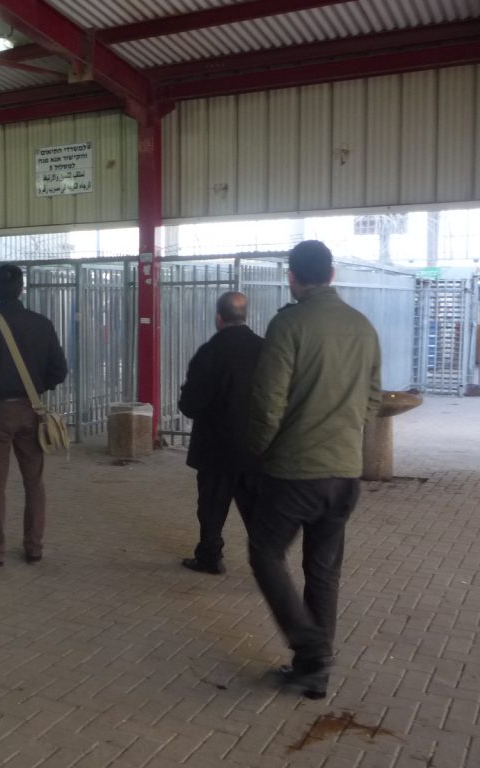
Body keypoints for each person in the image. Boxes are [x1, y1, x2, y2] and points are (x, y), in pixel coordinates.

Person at [246, 240, 381, 699]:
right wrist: (346, 433)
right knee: (323, 571)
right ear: (332, 274)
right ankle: (314, 672)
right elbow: (373, 397)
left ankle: (310, 645)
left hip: (296, 472)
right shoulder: (362, 326)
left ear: (292, 277)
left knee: (265, 553)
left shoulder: (289, 324)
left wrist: (258, 451)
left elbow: (268, 402)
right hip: (345, 474)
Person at [0, 264, 68, 567]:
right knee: (34, 481)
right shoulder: (42, 324)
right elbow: (59, 370)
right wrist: (37, 388)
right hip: (31, 410)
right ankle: (34, 548)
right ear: (22, 289)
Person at [178, 291, 263, 575]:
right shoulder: (266, 350)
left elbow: (189, 405)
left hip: (215, 449)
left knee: (211, 508)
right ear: (245, 315)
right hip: (255, 448)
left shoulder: (208, 352)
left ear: (218, 318)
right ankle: (269, 565)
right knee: (257, 512)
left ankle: (210, 557)